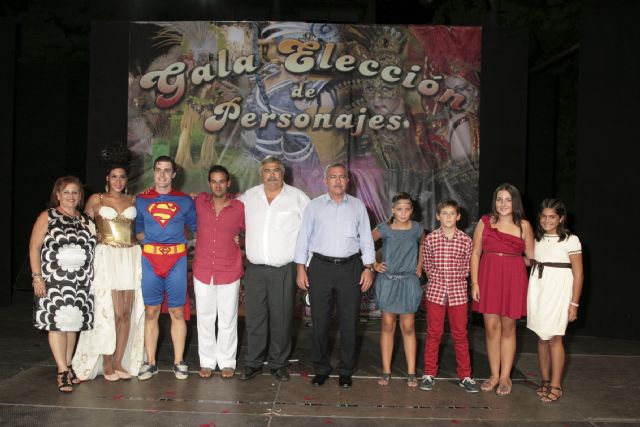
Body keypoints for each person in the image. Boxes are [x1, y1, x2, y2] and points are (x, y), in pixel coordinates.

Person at [295, 162, 376, 388]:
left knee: (349, 322)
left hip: (351, 268)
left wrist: (369, 268)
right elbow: (303, 237)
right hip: (320, 267)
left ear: (348, 180)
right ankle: (321, 368)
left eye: (342, 177)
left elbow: (366, 239)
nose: (338, 181)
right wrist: (300, 268)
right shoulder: (314, 206)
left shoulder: (358, 206)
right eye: (333, 177)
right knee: (319, 321)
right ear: (325, 180)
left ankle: (346, 370)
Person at [73, 146, 145, 381]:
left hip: (130, 256)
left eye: (122, 177)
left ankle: (119, 361)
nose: (118, 181)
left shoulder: (133, 199)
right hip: (107, 257)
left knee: (126, 313)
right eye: (114, 176)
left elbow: (141, 230)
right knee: (110, 312)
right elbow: (81, 228)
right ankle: (106, 362)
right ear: (107, 178)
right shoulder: (97, 199)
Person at [237, 156, 310, 382]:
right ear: (261, 174)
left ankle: (278, 364)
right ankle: (253, 363)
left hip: (284, 270)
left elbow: (311, 231)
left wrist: (304, 266)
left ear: (282, 173)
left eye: (276, 170)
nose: (271, 175)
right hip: (255, 270)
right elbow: (226, 211)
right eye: (267, 171)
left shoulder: (298, 198)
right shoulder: (249, 197)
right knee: (255, 318)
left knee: (282, 318)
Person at [30, 176, 97, 392]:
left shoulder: (86, 220)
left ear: (80, 196)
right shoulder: (47, 216)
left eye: (75, 192)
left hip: (82, 281)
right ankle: (61, 370)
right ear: (57, 195)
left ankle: (68, 366)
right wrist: (37, 277)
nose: (71, 196)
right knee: (58, 324)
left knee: (73, 324)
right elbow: (34, 247)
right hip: (55, 281)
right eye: (66, 192)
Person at [135, 156, 197, 380]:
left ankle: (179, 361)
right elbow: (137, 230)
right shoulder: (141, 200)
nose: (162, 174)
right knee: (151, 311)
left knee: (177, 312)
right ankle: (150, 362)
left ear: (174, 174)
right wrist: (154, 243)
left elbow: (197, 228)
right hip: (150, 261)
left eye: (167, 170)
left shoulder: (185, 201)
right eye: (158, 170)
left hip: (176, 261)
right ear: (153, 173)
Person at [470, 183, 534, 395]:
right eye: (499, 199)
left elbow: (532, 258)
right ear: (494, 202)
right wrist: (475, 283)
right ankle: (494, 375)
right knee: (491, 328)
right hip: (488, 278)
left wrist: (513, 260)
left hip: (513, 280)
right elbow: (476, 253)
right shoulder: (485, 222)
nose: (503, 204)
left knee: (508, 328)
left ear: (515, 202)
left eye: (508, 199)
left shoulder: (524, 226)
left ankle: (505, 377)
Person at [527, 199, 583, 402]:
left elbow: (579, 273)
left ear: (561, 218)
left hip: (559, 292)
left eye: (552, 217)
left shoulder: (571, 240)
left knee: (555, 338)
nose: (547, 220)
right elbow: (529, 260)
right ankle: (545, 381)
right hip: (538, 290)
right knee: (541, 338)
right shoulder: (536, 239)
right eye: (544, 216)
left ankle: (556, 385)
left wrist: (574, 303)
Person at [420, 200, 479, 393]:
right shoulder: (431, 239)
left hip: (458, 294)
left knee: (460, 335)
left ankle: (465, 375)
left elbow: (469, 265)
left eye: (452, 213)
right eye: (444, 213)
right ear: (438, 216)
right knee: (433, 333)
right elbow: (427, 263)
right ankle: (429, 373)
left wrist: (459, 279)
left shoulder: (466, 240)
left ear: (458, 216)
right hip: (435, 293)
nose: (448, 217)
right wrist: (436, 279)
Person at [193, 165, 245, 379]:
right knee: (205, 318)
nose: (218, 185)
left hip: (229, 270)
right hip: (203, 269)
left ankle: (227, 362)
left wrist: (242, 241)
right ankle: (206, 362)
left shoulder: (239, 207)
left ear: (228, 183)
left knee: (228, 318)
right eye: (214, 181)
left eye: (221, 181)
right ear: (209, 183)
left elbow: (253, 232)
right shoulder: (199, 202)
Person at [371, 193, 424, 388]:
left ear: (412, 210)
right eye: (399, 209)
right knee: (387, 324)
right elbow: (365, 243)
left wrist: (420, 264)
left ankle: (411, 373)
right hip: (388, 281)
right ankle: (386, 372)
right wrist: (373, 264)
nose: (403, 213)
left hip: (408, 282)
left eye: (407, 209)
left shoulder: (417, 228)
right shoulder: (384, 228)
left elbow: (424, 244)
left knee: (408, 326)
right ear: (393, 210)